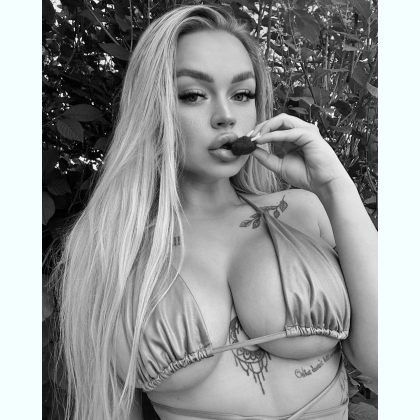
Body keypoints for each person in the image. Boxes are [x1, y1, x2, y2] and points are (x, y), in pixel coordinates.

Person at [55, 4, 377, 420]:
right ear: (152, 109)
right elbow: (108, 407)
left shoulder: (302, 211)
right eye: (193, 95)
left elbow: (384, 360)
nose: (226, 116)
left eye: (242, 94)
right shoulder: (111, 247)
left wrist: (335, 187)